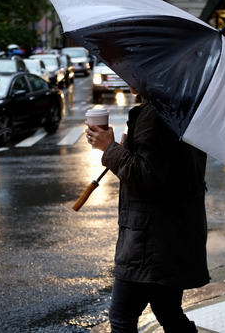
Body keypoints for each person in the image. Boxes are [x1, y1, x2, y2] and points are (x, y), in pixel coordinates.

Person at [85, 85, 209, 332]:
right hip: (172, 232)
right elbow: (165, 166)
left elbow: (148, 175)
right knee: (169, 311)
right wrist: (126, 148)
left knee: (122, 317)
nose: (126, 76)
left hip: (151, 240)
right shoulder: (180, 105)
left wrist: (109, 148)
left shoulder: (155, 114)